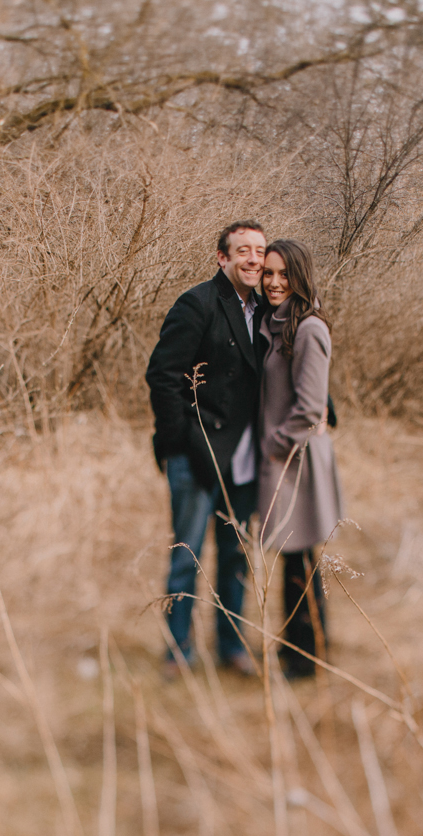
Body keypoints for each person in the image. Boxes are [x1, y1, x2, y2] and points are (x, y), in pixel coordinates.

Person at [145, 220, 267, 679]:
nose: (253, 258)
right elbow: (162, 375)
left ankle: (232, 650)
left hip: (244, 458)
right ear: (223, 258)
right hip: (195, 457)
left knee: (236, 555)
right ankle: (177, 653)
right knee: (187, 556)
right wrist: (181, 442)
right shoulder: (197, 303)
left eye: (259, 250)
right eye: (243, 251)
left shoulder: (268, 309)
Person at [256, 239, 344, 679]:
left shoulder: (309, 328)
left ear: (300, 276)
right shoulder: (277, 325)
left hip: (299, 461)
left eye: (283, 274)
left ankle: (305, 659)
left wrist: (273, 445)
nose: (273, 282)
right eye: (268, 273)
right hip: (285, 459)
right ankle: (296, 652)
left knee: (302, 561)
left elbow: (312, 408)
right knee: (294, 560)